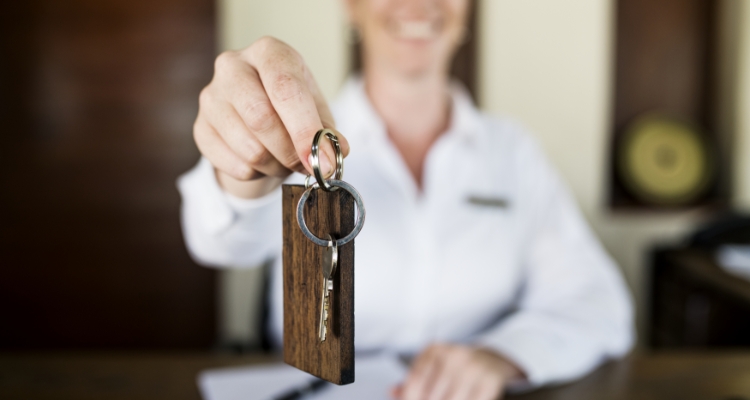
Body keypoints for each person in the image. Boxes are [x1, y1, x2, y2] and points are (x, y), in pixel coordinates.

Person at [178, 0, 634, 398]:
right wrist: (248, 165)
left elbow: (598, 304)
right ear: (351, 5)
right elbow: (219, 241)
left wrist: (503, 356)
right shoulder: (295, 140)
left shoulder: (513, 153)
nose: (418, 2)